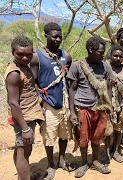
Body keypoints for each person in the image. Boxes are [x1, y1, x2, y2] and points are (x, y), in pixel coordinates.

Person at [30, 22, 72, 179]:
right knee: (49, 136)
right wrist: (38, 104)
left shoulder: (66, 56)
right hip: (48, 103)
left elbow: (69, 79)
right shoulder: (36, 57)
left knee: (64, 134)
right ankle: (50, 165)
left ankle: (61, 158)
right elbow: (34, 82)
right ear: (46, 35)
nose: (58, 39)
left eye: (60, 36)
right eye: (54, 36)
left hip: (65, 102)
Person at [68, 36, 113, 178]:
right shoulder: (77, 65)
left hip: (100, 109)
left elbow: (109, 89)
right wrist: (72, 112)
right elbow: (72, 89)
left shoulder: (105, 66)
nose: (103, 54)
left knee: (97, 136)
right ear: (90, 50)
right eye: (100, 52)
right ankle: (83, 163)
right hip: (83, 108)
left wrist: (110, 107)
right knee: (83, 137)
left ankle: (95, 161)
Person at [5, 36, 44, 180]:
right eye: (20, 54)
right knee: (24, 151)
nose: (25, 58)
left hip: (28, 115)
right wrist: (25, 129)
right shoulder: (14, 73)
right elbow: (13, 103)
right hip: (23, 118)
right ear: (12, 53)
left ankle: (23, 176)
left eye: (28, 54)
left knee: (21, 149)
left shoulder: (24, 67)